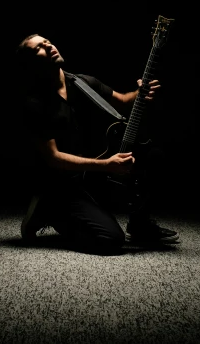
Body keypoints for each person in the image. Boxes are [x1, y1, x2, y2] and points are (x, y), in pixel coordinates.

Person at [13, 32, 179, 255]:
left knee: (153, 156)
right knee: (110, 240)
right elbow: (53, 158)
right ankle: (50, 211)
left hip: (91, 176)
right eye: (39, 48)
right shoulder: (34, 104)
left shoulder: (84, 83)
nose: (49, 46)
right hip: (61, 183)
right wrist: (106, 165)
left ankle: (139, 224)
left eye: (48, 41)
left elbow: (122, 101)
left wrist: (140, 93)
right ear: (31, 63)